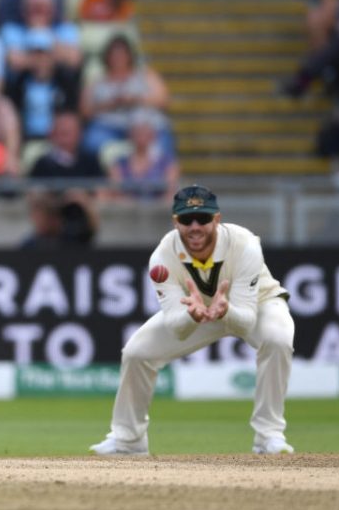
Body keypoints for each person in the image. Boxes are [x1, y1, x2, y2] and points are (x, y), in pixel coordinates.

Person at [90, 185, 295, 456]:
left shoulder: (245, 244)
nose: (195, 227)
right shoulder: (162, 258)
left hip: (257, 304)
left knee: (277, 340)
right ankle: (128, 441)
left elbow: (245, 321)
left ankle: (268, 437)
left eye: (203, 219)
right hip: (197, 309)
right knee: (137, 353)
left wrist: (226, 311)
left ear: (217, 219)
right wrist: (192, 314)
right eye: (186, 220)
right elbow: (177, 327)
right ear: (176, 222)